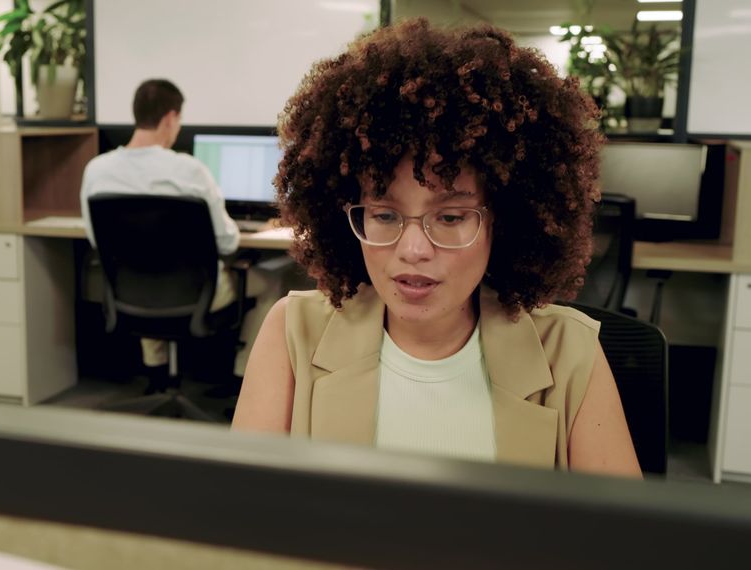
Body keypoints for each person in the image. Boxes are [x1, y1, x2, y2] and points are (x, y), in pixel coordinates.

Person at [232, 20, 641, 477]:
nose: (413, 250)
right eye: (385, 215)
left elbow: (625, 545)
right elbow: (239, 524)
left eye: (449, 218)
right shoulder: (293, 333)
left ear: (501, 221)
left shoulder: (567, 350)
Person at [80, 79, 263, 378]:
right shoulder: (189, 171)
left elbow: (96, 239)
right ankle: (244, 377)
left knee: (145, 262)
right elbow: (228, 243)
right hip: (196, 296)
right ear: (170, 118)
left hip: (130, 293)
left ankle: (157, 374)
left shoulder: (97, 170)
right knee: (272, 278)